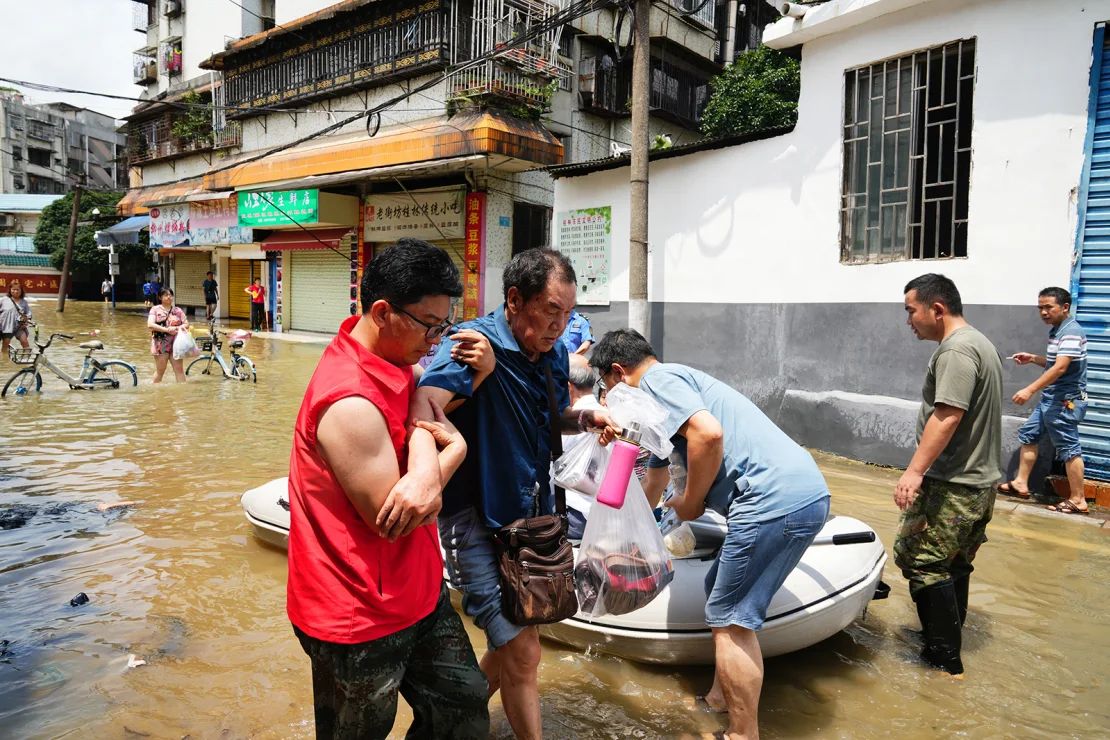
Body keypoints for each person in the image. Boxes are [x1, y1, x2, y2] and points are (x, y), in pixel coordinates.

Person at [287, 238, 488, 739]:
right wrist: (453, 451)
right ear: (382, 311)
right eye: (429, 326)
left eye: (445, 326)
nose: (436, 341)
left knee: (463, 713)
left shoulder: (395, 359)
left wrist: (474, 377)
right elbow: (402, 514)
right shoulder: (348, 402)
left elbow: (424, 406)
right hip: (355, 612)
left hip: (419, 594)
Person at [414, 248, 615, 740]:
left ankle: (447, 725)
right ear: (513, 299)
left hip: (534, 525)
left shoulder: (555, 354)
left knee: (515, 646)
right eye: (550, 310)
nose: (559, 324)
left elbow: (550, 419)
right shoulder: (473, 344)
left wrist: (586, 418)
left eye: (568, 312)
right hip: (477, 519)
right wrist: (483, 376)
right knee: (524, 651)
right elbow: (424, 409)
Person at [589, 329, 830, 740]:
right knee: (717, 584)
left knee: (731, 621)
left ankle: (742, 733)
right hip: (800, 493)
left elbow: (708, 434)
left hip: (771, 501)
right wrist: (631, 529)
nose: (608, 397)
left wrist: (693, 502)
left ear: (618, 372)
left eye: (606, 388)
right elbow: (660, 473)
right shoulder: (666, 396)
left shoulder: (656, 381)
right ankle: (719, 698)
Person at [896, 273, 1002, 678]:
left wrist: (913, 472)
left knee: (922, 562)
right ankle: (945, 639)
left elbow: (948, 414)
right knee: (953, 564)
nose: (909, 321)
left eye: (911, 311)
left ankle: (942, 660)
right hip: (978, 484)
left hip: (954, 484)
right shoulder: (980, 342)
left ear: (935, 309)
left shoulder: (956, 350)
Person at [1000, 287, 1090, 514]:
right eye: (1040, 307)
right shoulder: (1058, 331)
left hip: (1064, 400)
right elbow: (1055, 363)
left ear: (1065, 307)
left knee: (1069, 449)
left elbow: (1061, 368)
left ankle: (1078, 499)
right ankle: (1021, 482)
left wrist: (1030, 389)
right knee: (1029, 434)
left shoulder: (1071, 332)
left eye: (1048, 307)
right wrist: (1033, 359)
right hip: (1052, 397)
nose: (1043, 312)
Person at [147, 288, 189, 383]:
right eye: (166, 295)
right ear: (160, 297)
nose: (169, 297)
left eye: (170, 295)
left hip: (176, 344)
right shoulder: (155, 309)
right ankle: (155, 392)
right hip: (160, 344)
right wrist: (167, 330)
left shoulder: (178, 310)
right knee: (160, 370)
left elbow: (186, 324)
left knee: (179, 370)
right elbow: (150, 324)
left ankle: (182, 394)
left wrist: (177, 328)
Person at [1, 280, 32, 359]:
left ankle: (26, 360)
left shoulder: (24, 302)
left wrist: (26, 320)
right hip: (6, 327)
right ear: (10, 290)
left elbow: (28, 313)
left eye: (17, 289)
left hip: (19, 327)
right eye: (13, 289)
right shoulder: (3, 300)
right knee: (5, 344)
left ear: (21, 291)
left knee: (25, 342)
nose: (15, 291)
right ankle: (4, 360)